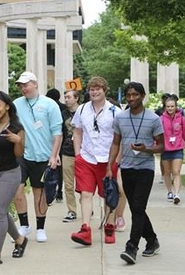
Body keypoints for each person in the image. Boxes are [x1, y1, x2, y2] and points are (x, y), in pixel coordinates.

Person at [107, 82, 164, 265]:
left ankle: (131, 247)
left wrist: (147, 149)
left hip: (145, 169)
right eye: (128, 95)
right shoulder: (121, 118)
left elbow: (161, 146)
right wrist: (110, 167)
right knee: (136, 208)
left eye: (135, 95)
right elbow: (115, 143)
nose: (131, 98)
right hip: (127, 168)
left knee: (138, 208)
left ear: (143, 95)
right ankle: (152, 240)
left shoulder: (154, 119)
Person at [70, 77, 122, 245]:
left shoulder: (115, 112)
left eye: (98, 88)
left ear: (105, 90)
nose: (94, 91)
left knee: (108, 194)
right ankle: (85, 229)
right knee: (85, 194)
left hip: (107, 159)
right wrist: (78, 155)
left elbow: (120, 138)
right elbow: (77, 132)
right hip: (86, 158)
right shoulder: (82, 109)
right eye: (91, 89)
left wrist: (117, 161)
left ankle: (109, 226)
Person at [13, 71, 63, 242]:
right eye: (20, 86)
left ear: (35, 84)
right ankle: (24, 225)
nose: (23, 88)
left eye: (25, 85)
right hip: (21, 154)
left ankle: (40, 227)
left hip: (43, 156)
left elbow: (57, 133)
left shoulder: (50, 105)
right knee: (16, 188)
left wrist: (54, 155)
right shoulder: (16, 104)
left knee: (39, 192)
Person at [0, 91, 27, 267]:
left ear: (7, 106)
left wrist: (18, 141)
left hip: (9, 173)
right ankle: (20, 239)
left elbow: (19, 154)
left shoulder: (16, 127)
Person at [160, 97, 185, 204]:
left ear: (176, 107)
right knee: (167, 172)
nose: (170, 108)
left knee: (176, 171)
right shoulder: (161, 119)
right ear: (165, 107)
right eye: (168, 106)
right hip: (165, 149)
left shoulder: (181, 119)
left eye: (172, 106)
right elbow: (156, 134)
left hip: (178, 148)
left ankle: (177, 194)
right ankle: (169, 191)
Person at [60, 89, 80, 222]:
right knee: (68, 184)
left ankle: (86, 205)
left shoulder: (84, 111)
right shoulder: (63, 114)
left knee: (84, 183)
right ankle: (72, 210)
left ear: (76, 98)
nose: (66, 99)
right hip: (67, 151)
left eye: (69, 97)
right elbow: (59, 133)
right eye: (65, 97)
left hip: (83, 152)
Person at [46, 88, 67, 203]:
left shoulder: (48, 107)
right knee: (59, 168)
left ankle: (50, 190)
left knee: (49, 166)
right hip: (61, 140)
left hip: (48, 140)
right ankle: (59, 192)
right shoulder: (63, 108)